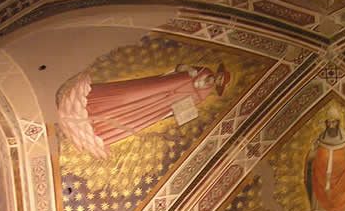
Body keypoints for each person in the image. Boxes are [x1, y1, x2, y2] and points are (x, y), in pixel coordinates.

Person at [57, 63, 230, 159]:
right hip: (159, 87)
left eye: (220, 81)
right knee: (129, 95)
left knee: (134, 116)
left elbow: (185, 108)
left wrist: (177, 112)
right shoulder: (201, 70)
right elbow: (179, 68)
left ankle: (99, 129)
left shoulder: (204, 95)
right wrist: (187, 70)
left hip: (163, 104)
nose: (216, 79)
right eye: (219, 76)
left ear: (219, 84)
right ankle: (91, 105)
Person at [305, 106, 345, 211]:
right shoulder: (320, 141)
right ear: (326, 123)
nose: (331, 125)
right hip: (322, 183)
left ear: (339, 123)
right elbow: (311, 159)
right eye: (329, 122)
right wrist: (312, 153)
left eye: (334, 122)